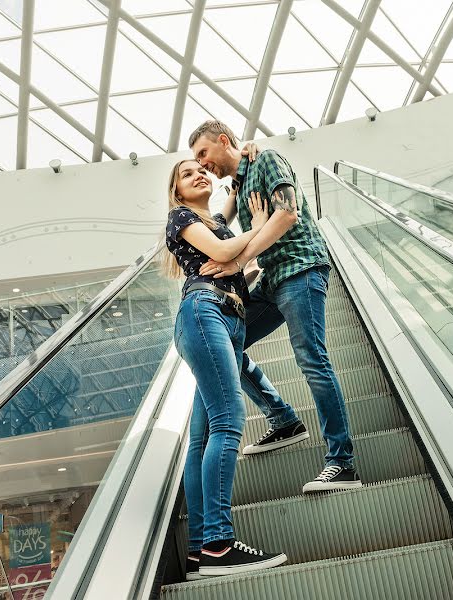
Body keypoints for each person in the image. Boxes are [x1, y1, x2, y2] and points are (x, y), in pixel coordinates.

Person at [189, 120, 362, 493]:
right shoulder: (243, 177)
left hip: (300, 268)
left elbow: (287, 213)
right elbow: (223, 222)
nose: (203, 164)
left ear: (223, 141)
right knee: (225, 348)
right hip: (271, 278)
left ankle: (342, 463)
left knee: (312, 360)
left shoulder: (267, 160)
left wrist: (237, 263)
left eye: (203, 153)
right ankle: (283, 419)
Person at [162, 158, 288, 578]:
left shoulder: (214, 219)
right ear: (177, 191)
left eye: (201, 169)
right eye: (186, 173)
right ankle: (219, 544)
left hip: (227, 318)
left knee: (201, 437)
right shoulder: (180, 217)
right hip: (205, 311)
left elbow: (233, 187)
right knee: (229, 420)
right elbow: (221, 252)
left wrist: (245, 151)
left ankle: (200, 549)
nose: (197, 174)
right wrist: (260, 227)